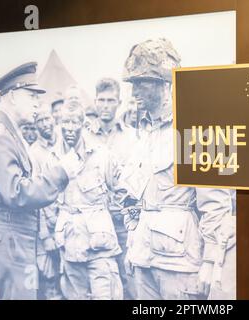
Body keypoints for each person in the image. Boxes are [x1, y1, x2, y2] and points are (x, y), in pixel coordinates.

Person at [121, 38, 236, 300]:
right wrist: (132, 244)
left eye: (142, 83)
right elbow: (138, 195)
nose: (134, 92)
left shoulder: (197, 125)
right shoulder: (144, 131)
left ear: (165, 83)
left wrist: (211, 261)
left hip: (181, 264)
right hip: (145, 258)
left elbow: (216, 202)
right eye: (132, 84)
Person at [0, 62, 75, 299]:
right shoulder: (1, 136)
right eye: (31, 96)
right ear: (12, 96)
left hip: (19, 238)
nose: (37, 103)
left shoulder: (7, 133)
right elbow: (17, 193)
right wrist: (61, 172)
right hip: (13, 239)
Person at [52, 102, 124, 300]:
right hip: (69, 244)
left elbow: (123, 191)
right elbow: (48, 202)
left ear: (83, 125)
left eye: (75, 122)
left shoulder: (102, 155)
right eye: (65, 122)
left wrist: (124, 223)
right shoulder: (53, 158)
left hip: (99, 245)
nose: (69, 127)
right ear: (58, 124)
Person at [86, 77, 139, 299]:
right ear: (95, 102)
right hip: (95, 224)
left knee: (130, 281)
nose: (105, 105)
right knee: (102, 287)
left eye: (110, 100)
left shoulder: (131, 137)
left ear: (119, 102)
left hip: (122, 221)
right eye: (101, 100)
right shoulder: (84, 136)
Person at [30, 103, 62, 300]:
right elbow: (35, 197)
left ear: (53, 118)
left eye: (47, 119)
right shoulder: (33, 153)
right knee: (51, 279)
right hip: (49, 223)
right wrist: (45, 236)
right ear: (35, 125)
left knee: (71, 276)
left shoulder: (64, 142)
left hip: (69, 220)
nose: (45, 124)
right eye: (39, 120)